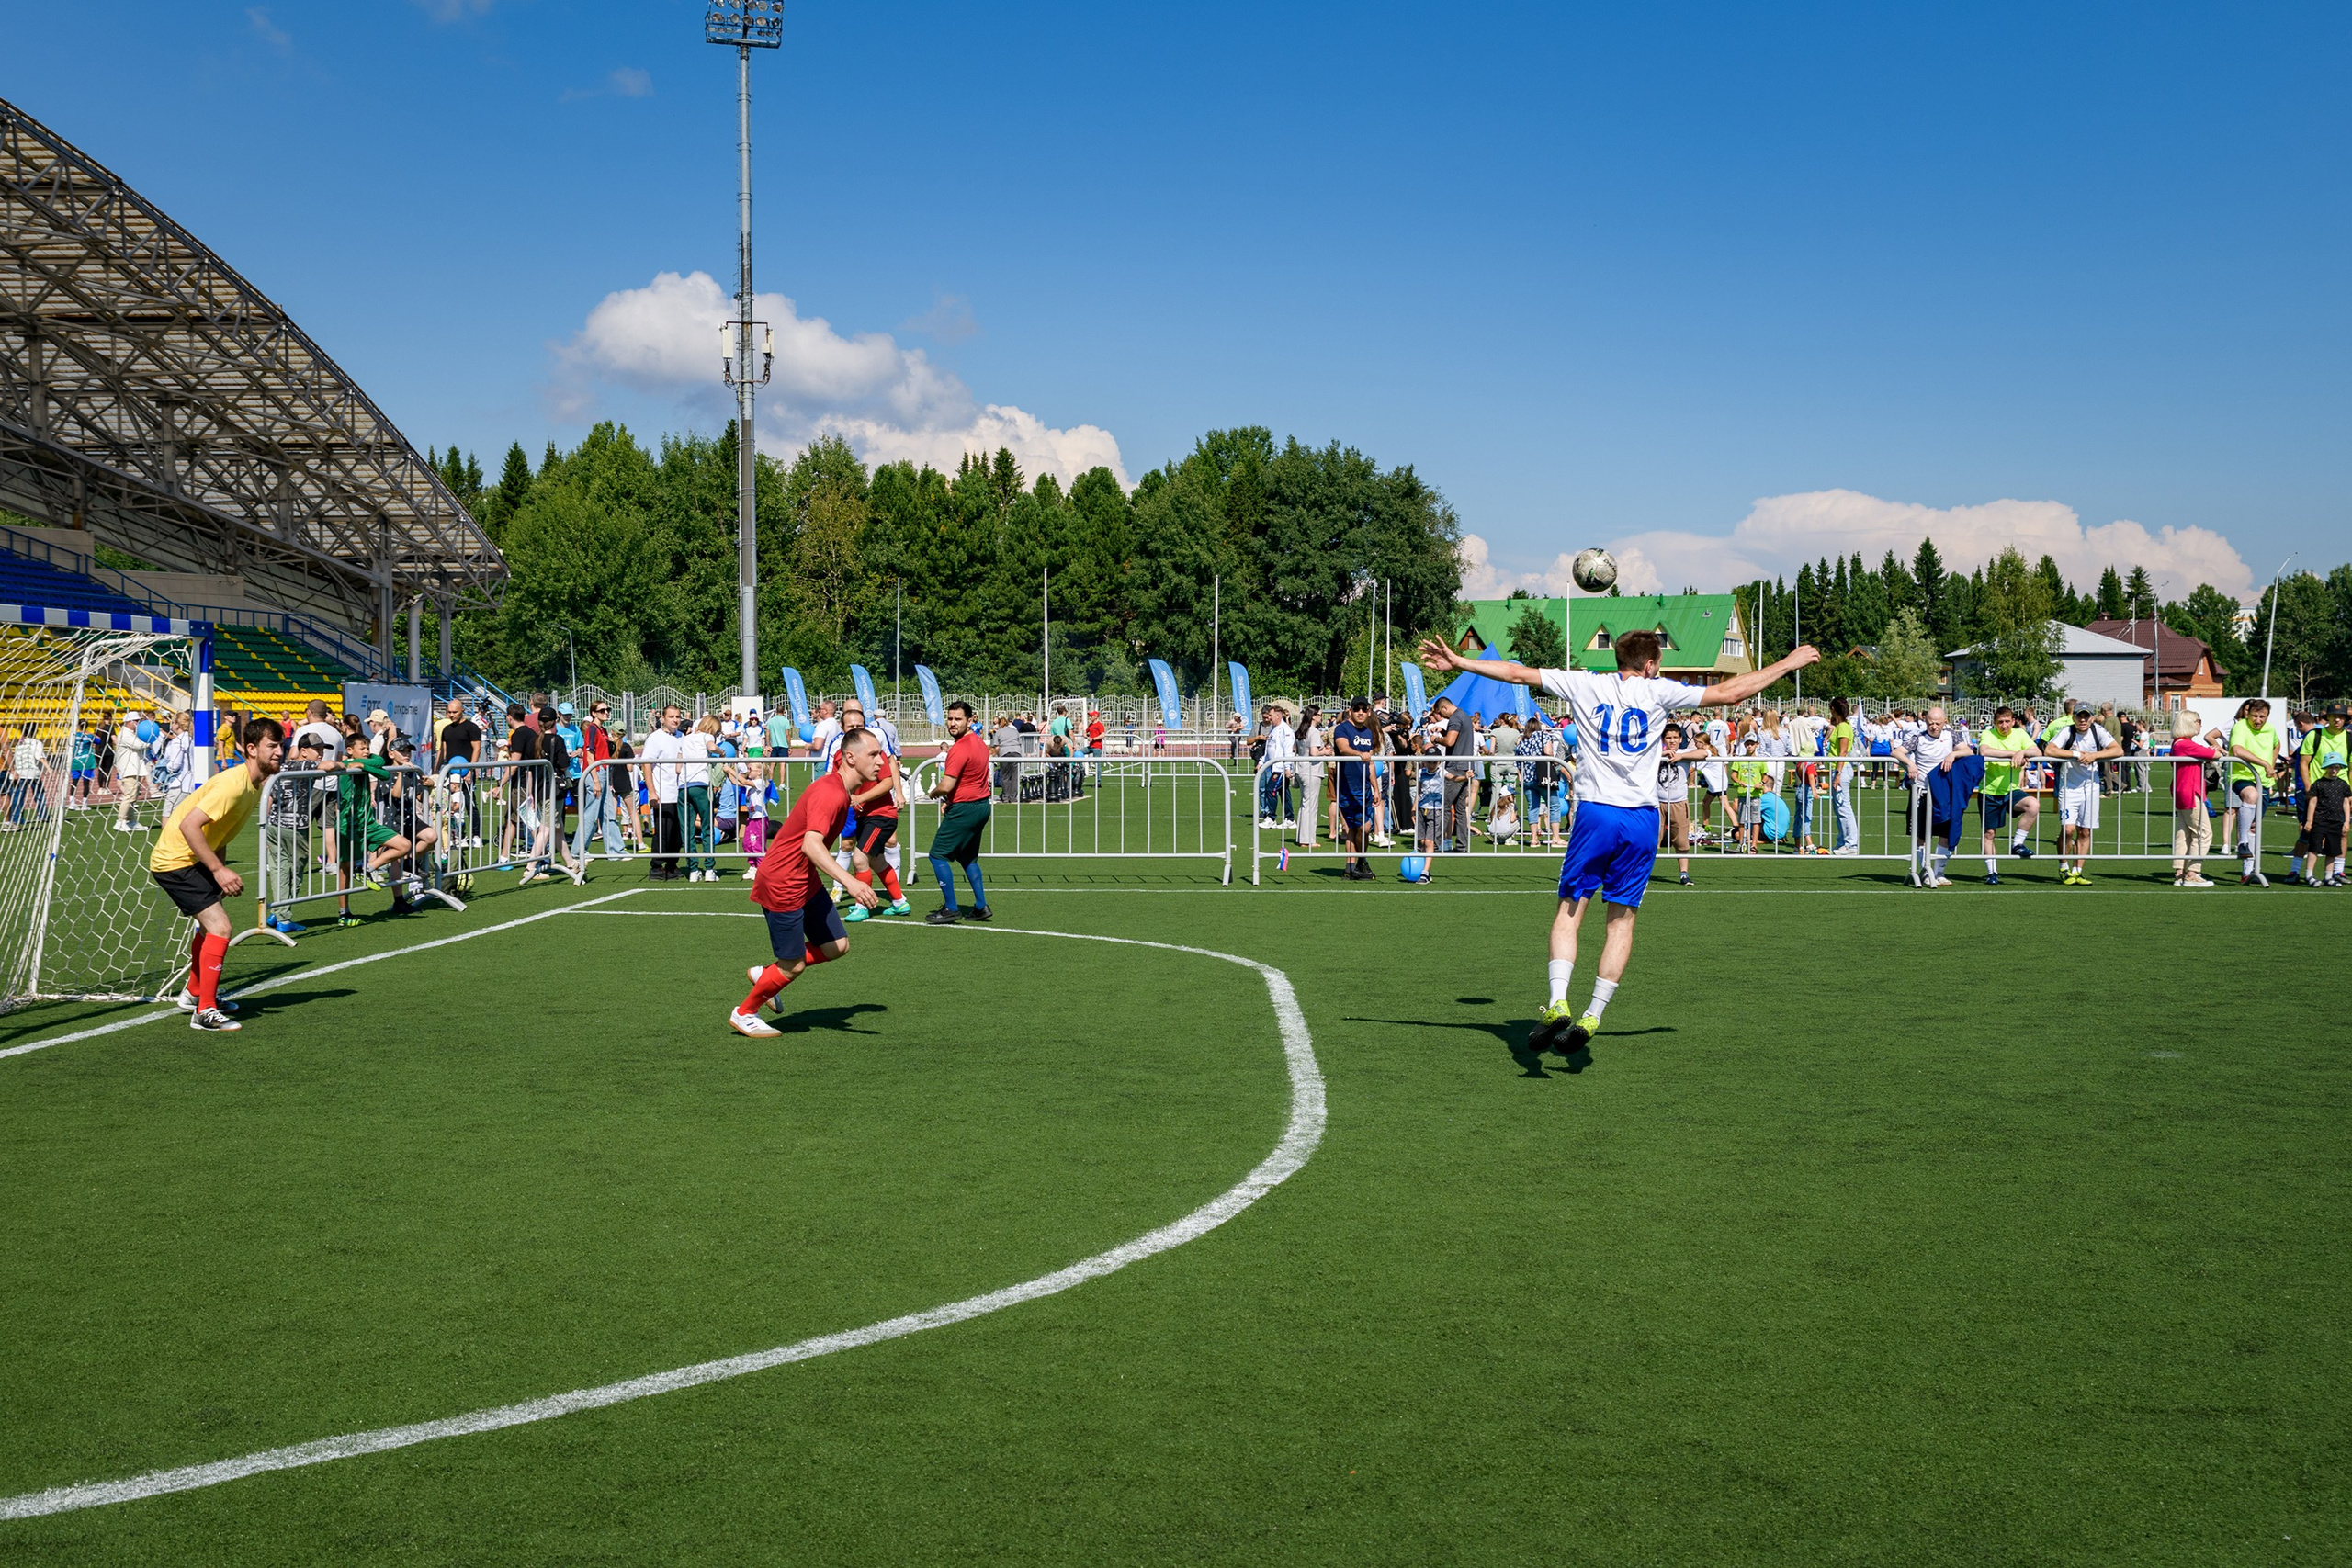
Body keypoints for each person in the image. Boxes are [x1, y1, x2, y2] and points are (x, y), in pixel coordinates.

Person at [1418, 629, 1819, 1070]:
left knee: (1570, 911)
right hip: (1642, 819)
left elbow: (1515, 673)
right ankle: (1592, 1015)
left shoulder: (1585, 682)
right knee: (1621, 921)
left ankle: (1558, 1002)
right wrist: (1788, 662)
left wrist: (1460, 662)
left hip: (1595, 814)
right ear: (1650, 664)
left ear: (1618, 657)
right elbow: (1728, 691)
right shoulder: (1658, 691)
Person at [729, 728, 887, 1037]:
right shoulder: (830, 792)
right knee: (793, 965)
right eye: (874, 754)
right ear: (851, 758)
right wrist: (850, 883)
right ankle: (745, 1012)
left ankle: (767, 975)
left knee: (837, 945)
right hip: (783, 881)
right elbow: (811, 846)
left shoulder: (840, 791)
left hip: (805, 878)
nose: (881, 761)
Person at [149, 716, 287, 1031]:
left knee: (208, 928)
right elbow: (189, 825)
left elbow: (219, 832)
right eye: (273, 746)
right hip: (175, 860)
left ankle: (195, 993)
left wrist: (216, 872)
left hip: (190, 858)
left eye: (281, 745)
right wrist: (218, 870)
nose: (280, 751)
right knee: (221, 927)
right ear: (251, 749)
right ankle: (205, 1011)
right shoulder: (232, 785)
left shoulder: (254, 786)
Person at [926, 699, 994, 923]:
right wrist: (950, 800)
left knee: (937, 855)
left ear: (970, 720)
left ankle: (951, 908)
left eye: (958, 719)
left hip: (966, 808)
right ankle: (981, 906)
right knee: (968, 858)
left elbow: (947, 784)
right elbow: (970, 780)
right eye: (950, 718)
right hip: (981, 806)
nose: (952, 723)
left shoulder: (959, 749)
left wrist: (934, 793)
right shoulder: (979, 742)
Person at [1894, 705, 1971, 887]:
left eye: (1937, 723)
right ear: (1925, 722)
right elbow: (1897, 752)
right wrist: (1909, 764)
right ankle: (1923, 871)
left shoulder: (1951, 735)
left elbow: (1968, 751)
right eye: (1930, 723)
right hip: (1921, 791)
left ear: (1944, 722)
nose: (1934, 726)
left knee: (1944, 833)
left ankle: (1939, 872)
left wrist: (1953, 754)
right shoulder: (1918, 738)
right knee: (1921, 834)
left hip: (1943, 792)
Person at [2047, 706, 2121, 886]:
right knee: (2068, 830)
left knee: (2085, 831)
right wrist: (2076, 754)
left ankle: (2078, 871)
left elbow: (2117, 750)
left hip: (2090, 788)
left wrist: (2094, 756)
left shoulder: (2098, 731)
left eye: (2086, 716)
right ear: (2073, 718)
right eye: (2079, 716)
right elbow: (2049, 750)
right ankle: (2063, 867)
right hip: (2068, 787)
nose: (2082, 720)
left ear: (2092, 718)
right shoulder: (2067, 731)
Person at [1973, 705, 2043, 882]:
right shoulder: (1989, 734)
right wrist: (2015, 753)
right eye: (2000, 722)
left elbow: (2037, 752)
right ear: (1995, 723)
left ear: (2013, 721)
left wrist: (2023, 751)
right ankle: (1992, 872)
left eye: (2007, 721)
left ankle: (2017, 844)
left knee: (2033, 805)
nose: (2004, 725)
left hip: (2011, 790)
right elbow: (1985, 751)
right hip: (1989, 791)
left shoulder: (2019, 734)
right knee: (1989, 834)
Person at [2225, 697, 2282, 886]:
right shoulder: (2240, 727)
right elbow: (2237, 750)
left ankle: (2247, 872)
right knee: (2251, 795)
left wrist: (2271, 764)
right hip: (2242, 776)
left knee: (2254, 826)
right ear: (2248, 714)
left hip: (2263, 781)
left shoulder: (2270, 729)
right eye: (2255, 716)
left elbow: (2277, 744)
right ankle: (2241, 843)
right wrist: (2265, 763)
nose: (2258, 720)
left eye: (2262, 717)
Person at [639, 705, 689, 881]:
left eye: (677, 717)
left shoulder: (682, 737)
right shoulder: (655, 738)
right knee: (663, 832)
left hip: (680, 793)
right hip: (663, 793)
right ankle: (656, 866)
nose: (675, 720)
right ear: (663, 719)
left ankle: (672, 865)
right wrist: (652, 792)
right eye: (671, 717)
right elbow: (647, 764)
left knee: (677, 834)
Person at [1331, 697, 1379, 879]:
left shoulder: (1368, 732)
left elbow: (1371, 763)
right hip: (1347, 786)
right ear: (1350, 711)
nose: (1360, 712)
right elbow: (1342, 748)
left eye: (1364, 709)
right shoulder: (1342, 728)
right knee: (1353, 828)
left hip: (1365, 787)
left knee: (1363, 828)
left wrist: (1376, 788)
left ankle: (1358, 863)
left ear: (1368, 712)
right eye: (1357, 709)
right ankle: (1354, 865)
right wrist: (1360, 754)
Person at [1656, 722, 1706, 886]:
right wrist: (1663, 754)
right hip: (1656, 802)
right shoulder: (1656, 752)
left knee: (1681, 841)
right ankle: (1642, 875)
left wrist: (1681, 756)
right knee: (1650, 840)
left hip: (1678, 802)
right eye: (1668, 737)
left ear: (1680, 739)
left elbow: (1704, 753)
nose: (1672, 741)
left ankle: (1684, 874)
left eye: (1675, 737)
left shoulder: (1685, 752)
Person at [1434, 698, 1475, 853]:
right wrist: (1444, 732)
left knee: (1444, 806)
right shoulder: (1464, 716)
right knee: (1460, 810)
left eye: (1440, 712)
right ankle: (1462, 846)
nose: (1441, 716)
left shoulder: (1455, 717)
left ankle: (1435, 845)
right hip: (1466, 767)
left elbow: (1450, 742)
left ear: (1444, 707)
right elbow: (1459, 739)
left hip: (1456, 767)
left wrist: (1436, 739)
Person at [2302, 758, 2348, 888]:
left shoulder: (2343, 784)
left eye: (2337, 767)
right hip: (2320, 820)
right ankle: (2309, 874)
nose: (2334, 770)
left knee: (2332, 850)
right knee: (2314, 847)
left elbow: (2346, 803)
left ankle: (2328, 876)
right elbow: (2313, 802)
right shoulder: (2319, 784)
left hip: (2336, 821)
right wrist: (2310, 820)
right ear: (2326, 768)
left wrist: (2346, 821)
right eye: (2331, 767)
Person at [1826, 696, 1860, 855]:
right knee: (1839, 808)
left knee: (1844, 807)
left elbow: (1843, 752)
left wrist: (1838, 774)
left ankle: (1851, 844)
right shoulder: (1839, 726)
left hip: (1842, 769)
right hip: (1837, 768)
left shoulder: (1844, 727)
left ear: (1833, 708)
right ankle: (1843, 841)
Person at [111, 709, 154, 831]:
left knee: (133, 796)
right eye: (136, 721)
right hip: (128, 769)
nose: (137, 723)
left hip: (134, 768)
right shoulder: (125, 734)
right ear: (128, 722)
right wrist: (151, 739)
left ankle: (131, 820)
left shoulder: (131, 733)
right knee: (129, 796)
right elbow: (139, 745)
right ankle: (120, 821)